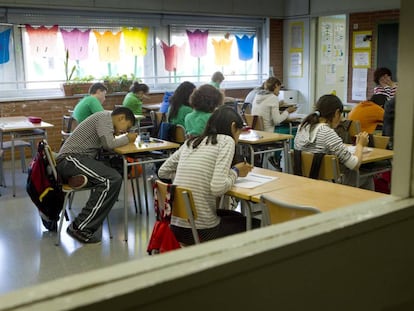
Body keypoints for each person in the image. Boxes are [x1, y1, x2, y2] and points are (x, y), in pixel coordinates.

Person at [158, 105, 254, 245]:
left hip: (175, 227)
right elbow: (217, 188)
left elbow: (163, 171)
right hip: (202, 231)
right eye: (239, 133)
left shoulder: (191, 142)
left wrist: (193, 173)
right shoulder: (227, 141)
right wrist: (236, 171)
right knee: (254, 224)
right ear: (233, 127)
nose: (238, 138)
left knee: (236, 217)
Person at [56, 107, 138, 243]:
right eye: (127, 126)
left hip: (80, 160)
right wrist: (127, 138)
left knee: (113, 176)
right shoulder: (104, 118)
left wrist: (122, 137)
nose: (125, 131)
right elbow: (109, 144)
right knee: (111, 179)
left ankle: (81, 179)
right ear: (121, 118)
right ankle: (79, 227)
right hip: (70, 159)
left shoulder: (106, 120)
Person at [294, 94, 373, 190]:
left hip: (304, 180)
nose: (341, 120)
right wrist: (360, 145)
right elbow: (354, 164)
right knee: (367, 177)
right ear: (336, 113)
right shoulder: (326, 132)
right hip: (328, 184)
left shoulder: (302, 127)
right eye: (340, 115)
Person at [251, 77, 297, 169]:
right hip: (268, 135)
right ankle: (281, 161)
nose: (279, 92)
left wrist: (278, 106)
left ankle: (274, 159)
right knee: (292, 131)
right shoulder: (273, 98)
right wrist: (287, 111)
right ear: (275, 86)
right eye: (279, 89)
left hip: (257, 133)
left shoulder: (257, 95)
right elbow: (277, 120)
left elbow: (265, 111)